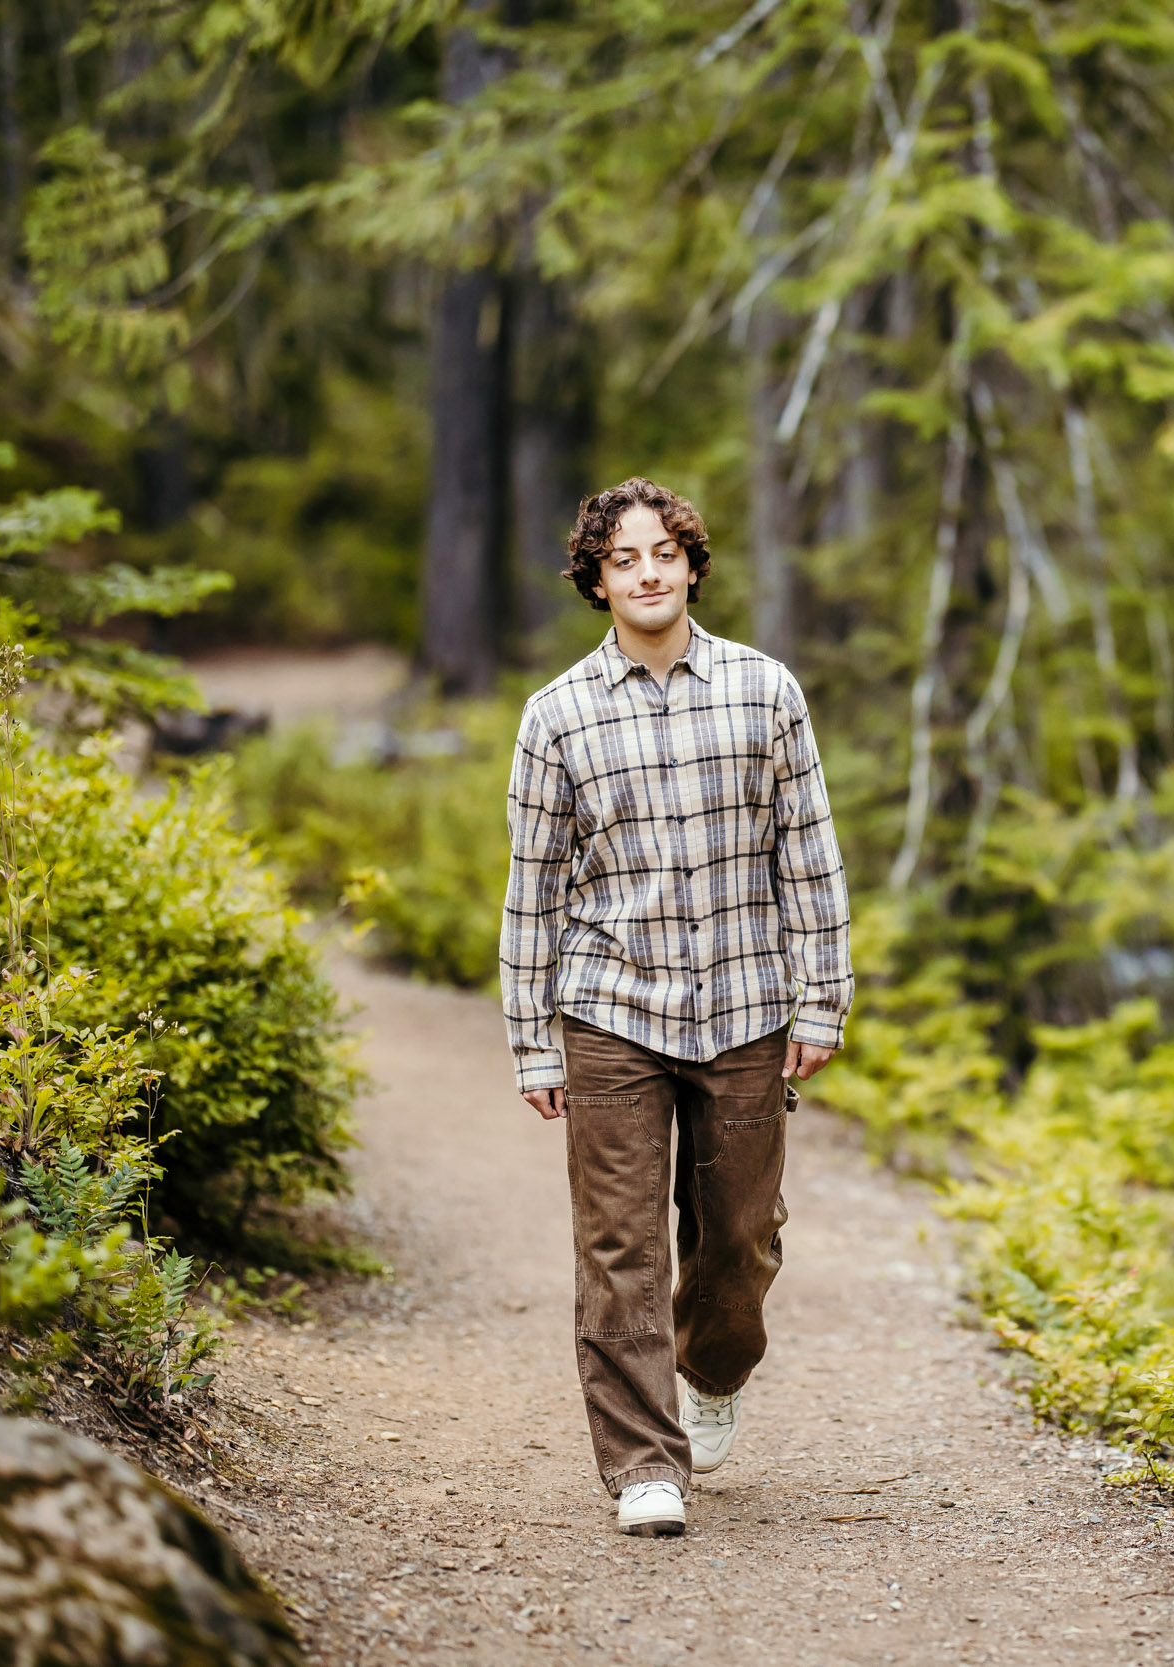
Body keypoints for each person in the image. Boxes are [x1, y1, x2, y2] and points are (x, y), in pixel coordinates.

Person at [499, 476, 852, 1538]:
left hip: (745, 1004)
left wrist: (821, 998)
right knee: (619, 1245)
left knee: (737, 1240)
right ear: (595, 579)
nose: (646, 572)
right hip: (610, 1012)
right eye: (623, 558)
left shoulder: (763, 690)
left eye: (663, 553)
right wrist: (533, 1041)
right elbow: (533, 886)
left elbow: (811, 856)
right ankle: (644, 1462)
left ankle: (710, 1368)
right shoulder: (556, 715)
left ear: (691, 565)